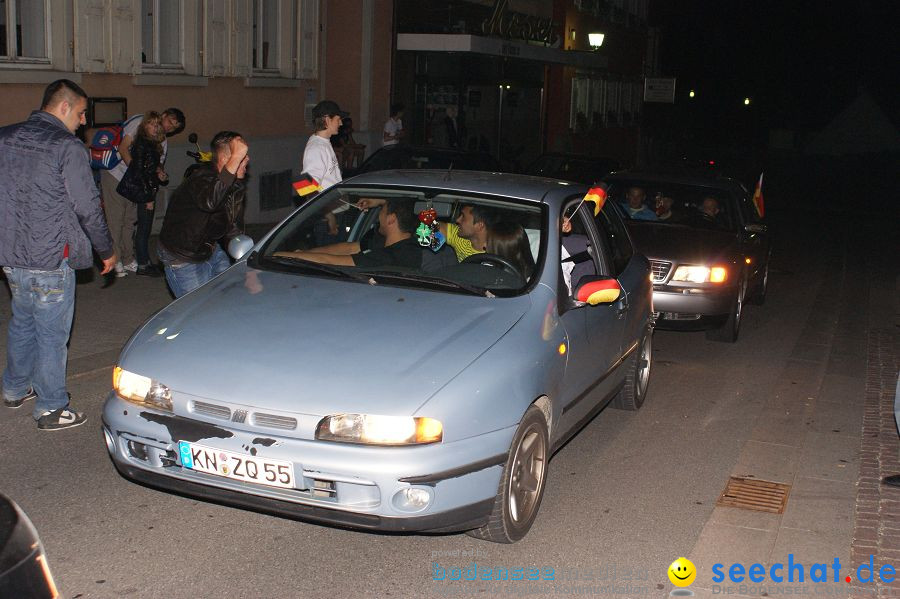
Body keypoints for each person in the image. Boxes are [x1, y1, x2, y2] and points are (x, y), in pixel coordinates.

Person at [0, 79, 117, 430]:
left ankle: (15, 388)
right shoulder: (66, 147)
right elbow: (87, 206)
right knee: (52, 334)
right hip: (50, 256)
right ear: (64, 107)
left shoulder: (4, 137)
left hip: (11, 254)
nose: (84, 122)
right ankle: (51, 407)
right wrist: (106, 249)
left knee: (22, 321)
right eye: (81, 113)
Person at [157, 131, 248, 298]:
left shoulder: (235, 185)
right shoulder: (201, 178)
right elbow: (210, 201)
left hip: (210, 248)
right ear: (225, 160)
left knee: (228, 298)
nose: (247, 160)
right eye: (242, 157)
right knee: (197, 310)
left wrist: (245, 255)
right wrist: (236, 158)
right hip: (183, 254)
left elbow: (232, 226)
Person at [100, 107, 185, 277]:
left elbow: (156, 164)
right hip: (116, 174)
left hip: (134, 182)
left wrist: (159, 172)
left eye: (174, 128)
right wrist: (139, 174)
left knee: (129, 220)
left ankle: (128, 258)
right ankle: (115, 259)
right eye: (170, 122)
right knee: (115, 219)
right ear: (164, 115)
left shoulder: (162, 140)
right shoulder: (140, 123)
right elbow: (124, 148)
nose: (169, 128)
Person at [274, 199, 421, 269]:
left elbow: (330, 261)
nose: (378, 217)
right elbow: (350, 248)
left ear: (391, 219)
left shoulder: (393, 256)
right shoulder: (392, 242)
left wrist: (282, 256)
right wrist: (303, 253)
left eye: (381, 212)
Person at [357, 199, 494, 262]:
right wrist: (382, 201)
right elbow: (429, 239)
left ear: (479, 225)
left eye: (463, 216)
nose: (457, 219)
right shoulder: (458, 236)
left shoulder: (499, 247)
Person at [117, 112, 167, 276]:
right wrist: (147, 198)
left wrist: (159, 173)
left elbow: (150, 169)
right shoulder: (142, 143)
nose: (155, 127)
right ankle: (143, 264)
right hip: (145, 191)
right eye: (151, 124)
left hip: (149, 188)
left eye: (157, 124)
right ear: (144, 126)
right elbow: (138, 172)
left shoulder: (153, 144)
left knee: (145, 228)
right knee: (143, 229)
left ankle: (145, 262)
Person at [302, 100, 348, 237]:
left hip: (336, 213)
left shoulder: (323, 143)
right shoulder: (316, 148)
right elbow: (306, 187)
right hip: (327, 221)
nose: (341, 123)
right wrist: (329, 216)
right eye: (338, 119)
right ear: (327, 120)